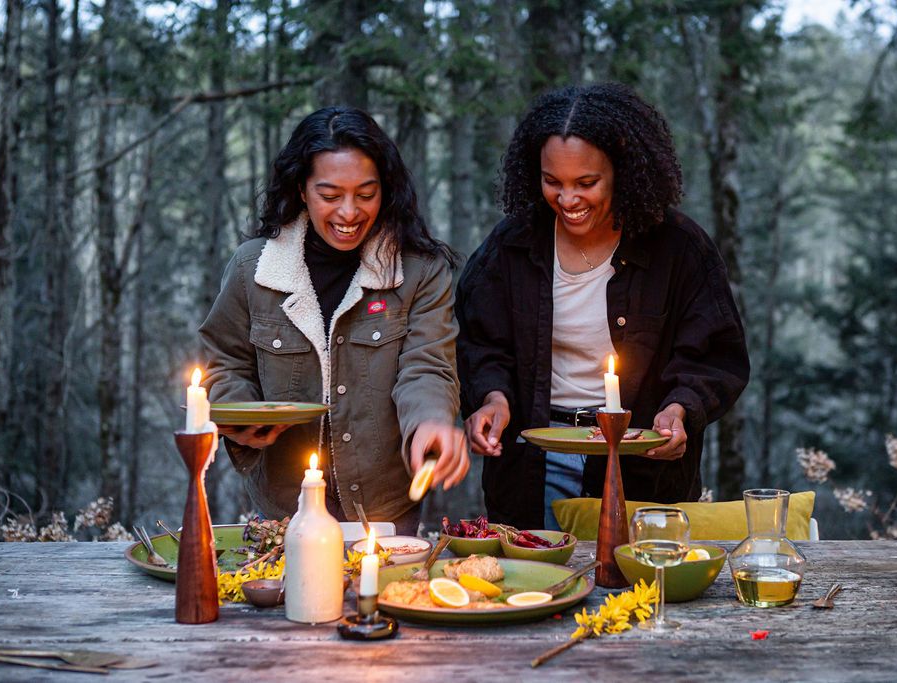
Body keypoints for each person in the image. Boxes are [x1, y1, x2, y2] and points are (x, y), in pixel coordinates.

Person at [456, 83, 750, 531]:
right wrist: (491, 397)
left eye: (586, 183)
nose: (568, 200)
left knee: (635, 594)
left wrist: (680, 409)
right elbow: (480, 341)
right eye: (552, 181)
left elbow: (714, 354)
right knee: (539, 586)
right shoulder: (512, 245)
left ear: (622, 171)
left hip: (641, 467)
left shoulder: (678, 248)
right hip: (534, 462)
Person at [200, 106, 468, 535]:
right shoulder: (254, 268)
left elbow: (428, 364)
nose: (349, 212)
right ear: (302, 191)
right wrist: (242, 415)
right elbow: (224, 361)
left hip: (385, 512)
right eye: (330, 195)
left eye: (366, 194)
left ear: (387, 190)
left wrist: (431, 420)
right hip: (283, 510)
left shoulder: (420, 270)